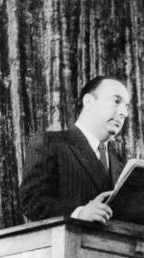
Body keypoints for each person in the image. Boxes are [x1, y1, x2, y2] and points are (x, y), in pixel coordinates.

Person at [20, 75, 130, 222]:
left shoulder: (122, 163)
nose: (124, 113)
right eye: (117, 101)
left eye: (126, 107)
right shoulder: (49, 143)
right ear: (88, 102)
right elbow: (32, 202)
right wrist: (78, 213)